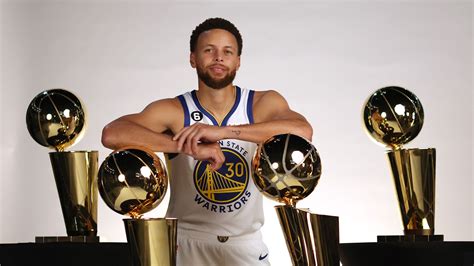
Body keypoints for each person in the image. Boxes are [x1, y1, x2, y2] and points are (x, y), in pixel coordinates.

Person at [101, 17, 312, 266]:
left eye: (227, 52)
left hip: (244, 244)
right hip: (186, 242)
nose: (218, 58)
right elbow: (112, 133)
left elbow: (303, 131)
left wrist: (221, 132)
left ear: (238, 61)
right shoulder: (175, 110)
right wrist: (188, 146)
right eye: (209, 50)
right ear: (193, 58)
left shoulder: (261, 103)